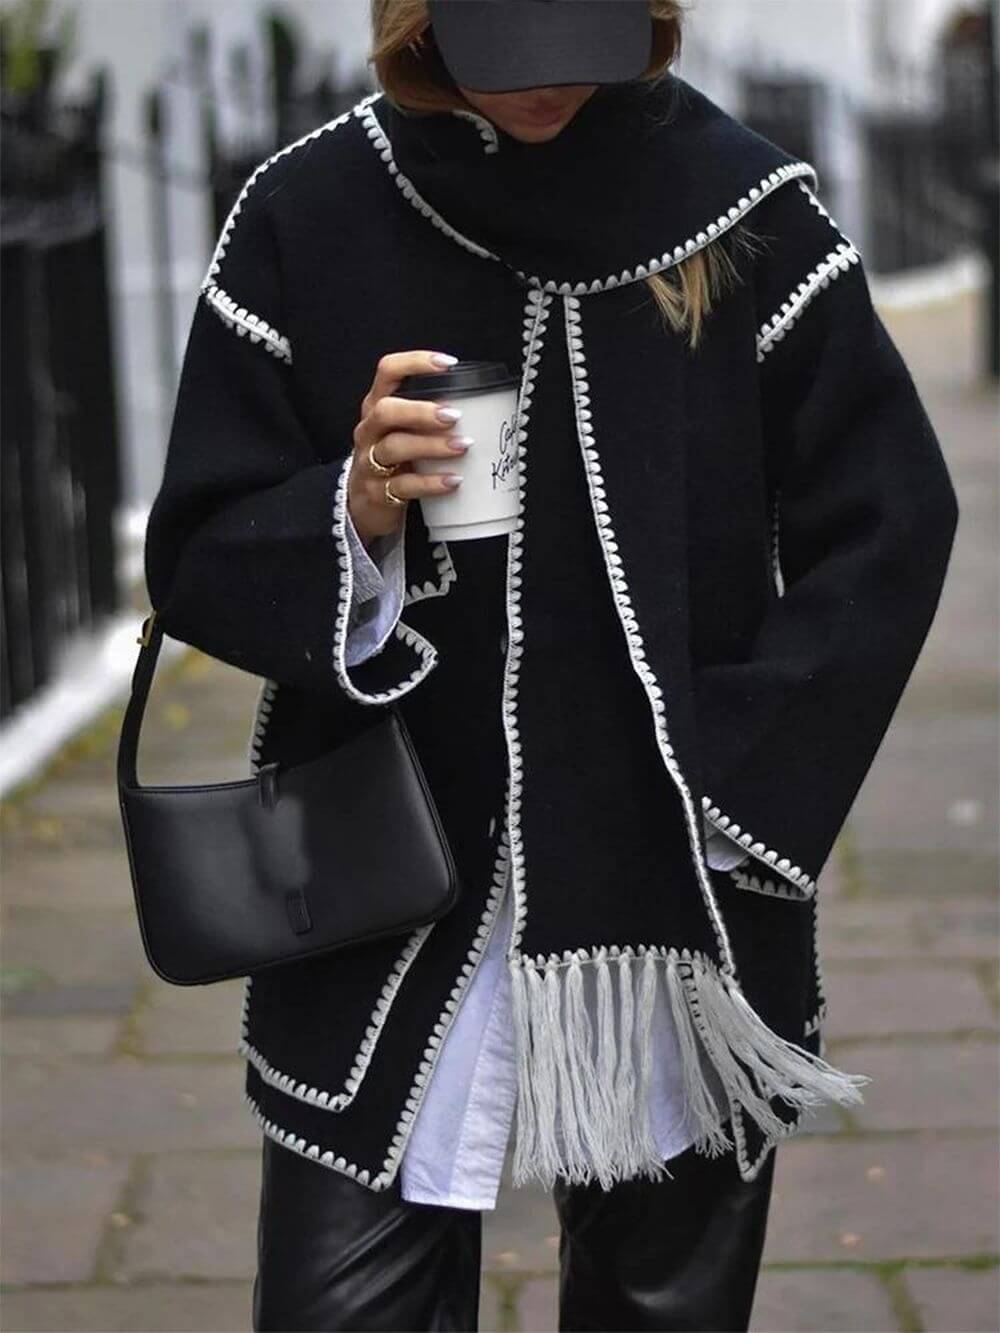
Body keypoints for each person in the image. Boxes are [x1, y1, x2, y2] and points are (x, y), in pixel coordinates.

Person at [143, 2, 959, 1329]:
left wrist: (730, 790)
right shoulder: (311, 211)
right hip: (389, 904)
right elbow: (196, 548)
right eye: (505, 48)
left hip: (675, 915)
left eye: (585, 36)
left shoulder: (744, 210)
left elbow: (890, 522)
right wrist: (348, 507)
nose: (550, 86)